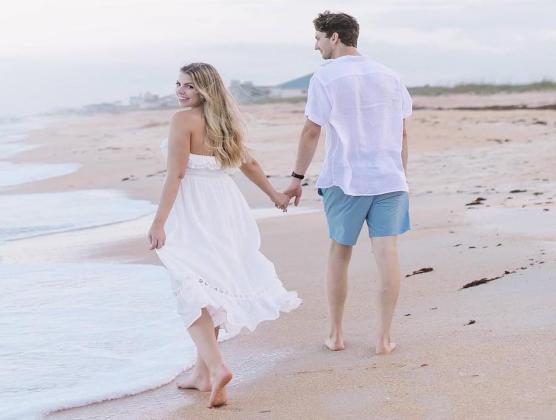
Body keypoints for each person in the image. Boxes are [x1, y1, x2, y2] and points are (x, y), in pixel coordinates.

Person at [148, 62, 301, 407]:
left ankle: (217, 368)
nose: (180, 91)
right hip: (226, 209)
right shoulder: (224, 120)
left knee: (189, 286)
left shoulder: (181, 120)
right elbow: (248, 164)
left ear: (204, 89)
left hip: (194, 211)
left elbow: (176, 175)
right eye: (178, 84)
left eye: (188, 86)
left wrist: (159, 222)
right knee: (209, 284)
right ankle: (201, 374)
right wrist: (274, 195)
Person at [284, 11, 413, 355]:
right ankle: (384, 339)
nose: (316, 46)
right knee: (388, 254)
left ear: (335, 37)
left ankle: (336, 335)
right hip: (390, 179)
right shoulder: (390, 75)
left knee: (340, 252)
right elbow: (402, 131)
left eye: (318, 38)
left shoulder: (325, 78)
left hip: (346, 179)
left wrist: (296, 179)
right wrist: (401, 175)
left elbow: (312, 130)